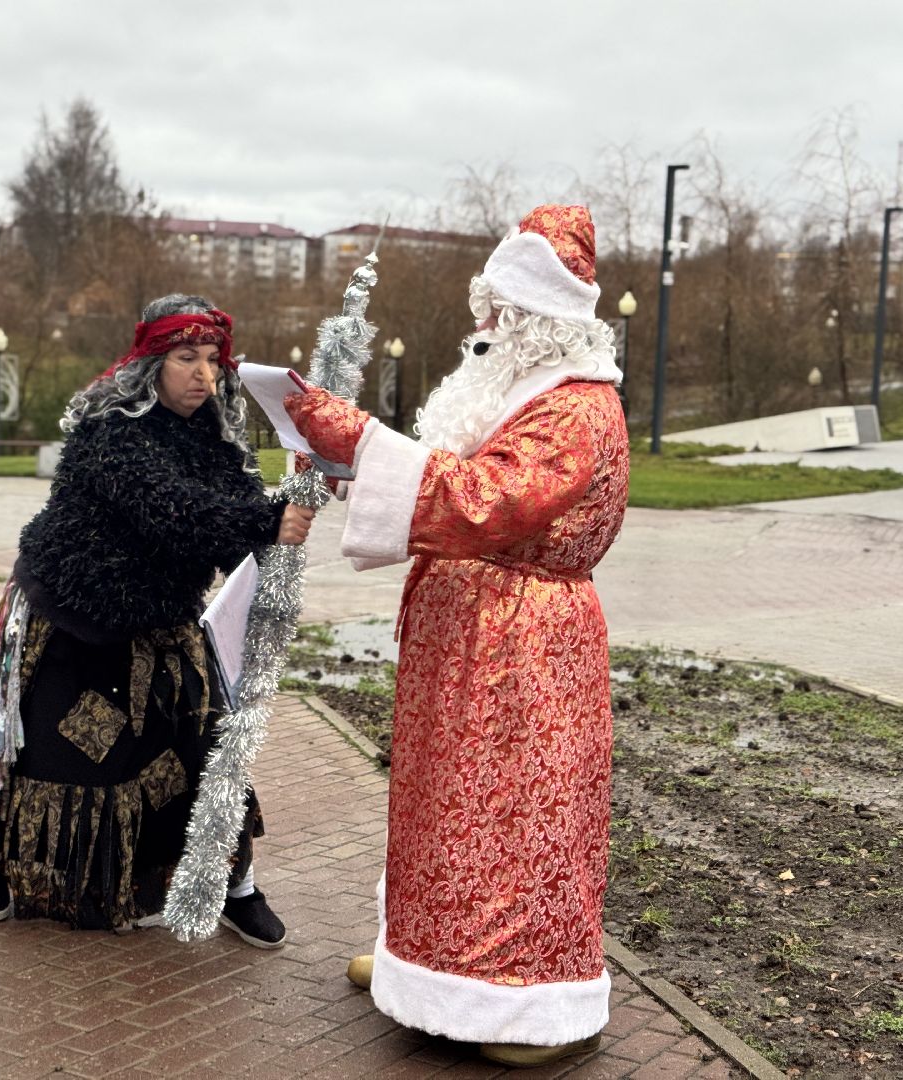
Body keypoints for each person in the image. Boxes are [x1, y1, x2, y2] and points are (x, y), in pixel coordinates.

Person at [283, 206, 629, 1066]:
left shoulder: (576, 411)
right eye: (487, 306)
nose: (484, 326)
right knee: (446, 807)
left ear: (544, 321)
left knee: (514, 813)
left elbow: (481, 500)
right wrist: (346, 460)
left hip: (524, 651)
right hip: (473, 643)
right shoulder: (520, 392)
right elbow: (443, 474)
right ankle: (427, 963)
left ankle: (519, 1001)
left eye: (501, 311)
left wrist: (358, 438)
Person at [0, 294, 313, 948]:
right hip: (75, 621)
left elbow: (230, 525)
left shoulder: (217, 438)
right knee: (52, 753)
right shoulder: (111, 429)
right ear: (151, 361)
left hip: (164, 623)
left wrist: (293, 505)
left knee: (208, 750)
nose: (203, 376)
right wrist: (267, 520)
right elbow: (169, 511)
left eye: (212, 360)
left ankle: (234, 886)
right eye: (185, 358)